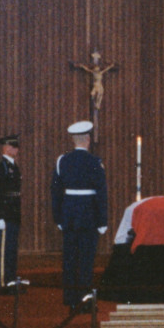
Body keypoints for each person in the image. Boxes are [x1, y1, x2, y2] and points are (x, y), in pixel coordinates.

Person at [51, 120, 108, 309]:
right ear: (88, 139)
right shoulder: (95, 162)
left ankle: (69, 298)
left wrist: (58, 218)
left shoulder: (62, 161)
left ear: (74, 140)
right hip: (89, 215)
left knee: (69, 257)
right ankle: (84, 300)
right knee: (86, 258)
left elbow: (56, 192)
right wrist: (103, 221)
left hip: (69, 215)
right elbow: (101, 193)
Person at [0, 134, 23, 292]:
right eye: (14, 146)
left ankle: (10, 281)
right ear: (7, 148)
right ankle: (2, 283)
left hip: (13, 213)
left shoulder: (13, 166)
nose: (17, 149)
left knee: (11, 249)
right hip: (5, 214)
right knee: (4, 251)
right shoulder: (0, 166)